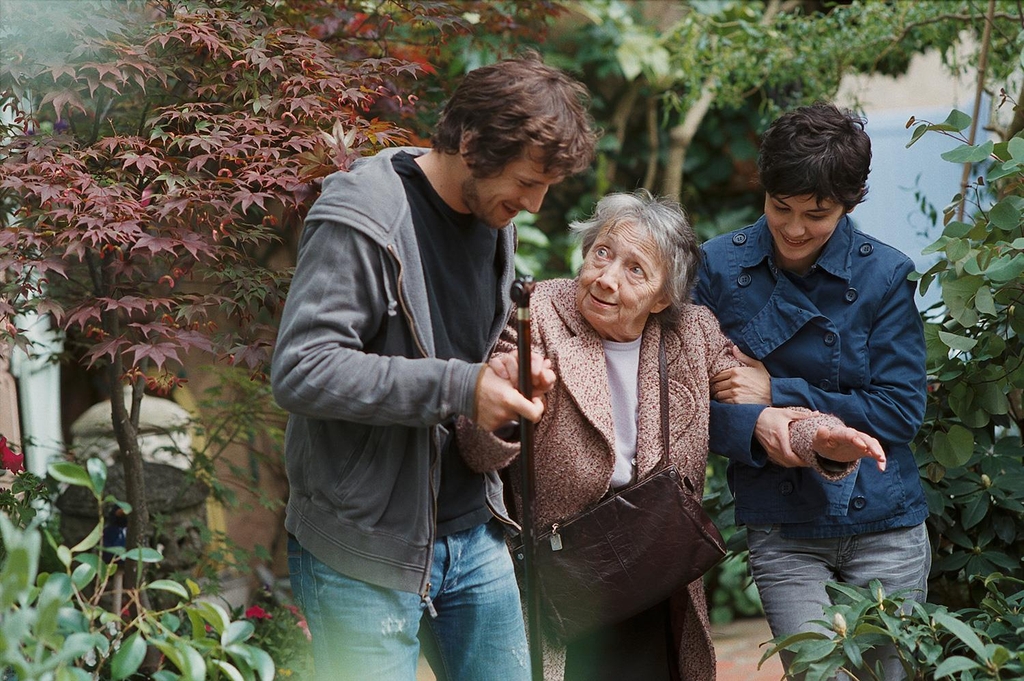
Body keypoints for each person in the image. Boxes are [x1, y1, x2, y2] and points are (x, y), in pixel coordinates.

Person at [458, 190, 886, 681]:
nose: (606, 278)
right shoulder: (538, 315)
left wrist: (820, 438)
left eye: (635, 269)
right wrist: (505, 409)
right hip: (563, 573)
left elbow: (751, 398)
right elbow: (476, 447)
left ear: (664, 296)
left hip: (650, 565)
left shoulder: (691, 331)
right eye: (603, 252)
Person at [270, 53, 597, 681]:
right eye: (527, 183)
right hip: (363, 552)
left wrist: (503, 377)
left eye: (544, 188)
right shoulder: (363, 216)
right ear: (471, 144)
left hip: (475, 536)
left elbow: (460, 349)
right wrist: (462, 385)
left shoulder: (490, 217)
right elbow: (302, 369)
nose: (533, 205)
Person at [694, 102, 930, 680]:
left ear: (850, 203)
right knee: (815, 674)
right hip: (783, 523)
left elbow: (901, 409)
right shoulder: (718, 269)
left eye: (817, 213)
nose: (795, 228)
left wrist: (776, 391)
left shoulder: (885, 276)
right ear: (765, 191)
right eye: (782, 208)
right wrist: (756, 426)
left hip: (885, 521)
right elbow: (684, 404)